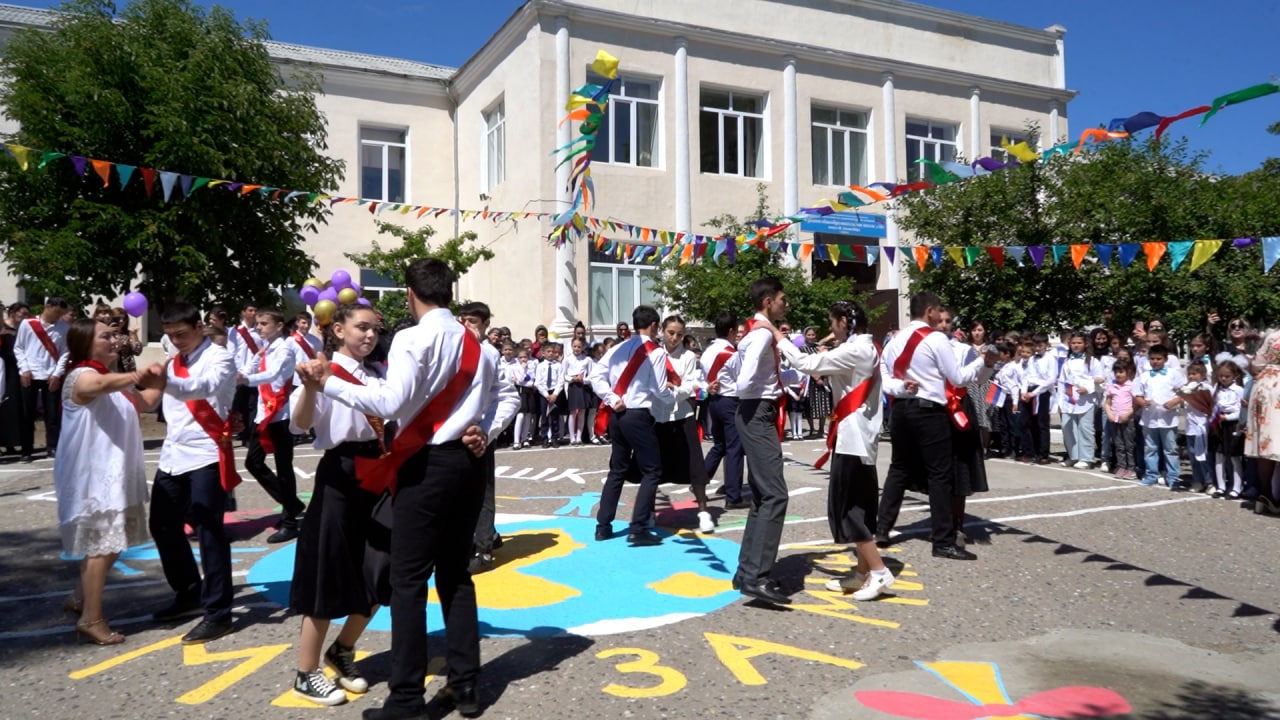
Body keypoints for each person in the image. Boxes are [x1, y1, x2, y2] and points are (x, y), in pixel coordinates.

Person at [300, 259, 512, 720]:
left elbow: (389, 403)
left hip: (425, 465)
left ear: (411, 294)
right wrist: (485, 431)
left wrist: (330, 383)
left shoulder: (413, 339)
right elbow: (508, 397)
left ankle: (406, 701)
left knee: (409, 582)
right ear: (449, 293)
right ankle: (466, 686)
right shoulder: (477, 344)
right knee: (456, 575)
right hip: (467, 466)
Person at [287, 304, 386, 706]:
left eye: (374, 330)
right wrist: (311, 387)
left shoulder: (379, 375)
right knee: (327, 571)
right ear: (339, 330)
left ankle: (342, 650)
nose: (369, 335)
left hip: (378, 474)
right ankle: (305, 673)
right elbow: (300, 423)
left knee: (385, 567)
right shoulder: (321, 371)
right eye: (361, 328)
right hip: (341, 474)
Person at [766, 301, 895, 600]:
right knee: (860, 504)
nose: (830, 329)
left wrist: (777, 335)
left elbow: (806, 364)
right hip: (858, 434)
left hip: (852, 438)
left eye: (833, 323)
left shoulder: (855, 350)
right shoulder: (868, 346)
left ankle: (878, 570)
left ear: (842, 321)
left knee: (849, 507)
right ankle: (862, 572)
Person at [56, 318, 164, 645]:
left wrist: (165, 375)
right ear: (85, 344)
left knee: (111, 543)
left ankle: (80, 597)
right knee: (100, 547)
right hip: (93, 478)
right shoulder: (81, 375)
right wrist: (137, 375)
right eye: (105, 336)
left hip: (114, 475)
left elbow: (146, 403)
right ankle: (92, 618)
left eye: (115, 335)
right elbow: (95, 388)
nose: (114, 340)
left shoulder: (112, 379)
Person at [877, 291, 993, 562]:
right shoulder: (936, 338)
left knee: (899, 469)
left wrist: (900, 386)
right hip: (930, 411)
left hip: (901, 409)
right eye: (937, 312)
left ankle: (882, 528)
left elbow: (884, 380)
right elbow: (958, 377)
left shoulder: (895, 340)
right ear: (929, 312)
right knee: (939, 475)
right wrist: (982, 363)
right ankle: (943, 540)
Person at [148, 303, 240, 644]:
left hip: (206, 453)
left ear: (199, 326)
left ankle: (219, 613)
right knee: (161, 524)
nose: (176, 341)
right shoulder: (173, 361)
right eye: (170, 336)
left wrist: (163, 379)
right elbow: (152, 401)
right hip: (173, 454)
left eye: (182, 334)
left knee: (208, 530)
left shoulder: (220, 357)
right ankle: (188, 592)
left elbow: (200, 388)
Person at [734, 278, 801, 604]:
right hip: (757, 412)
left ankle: (747, 570)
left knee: (763, 495)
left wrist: (783, 378)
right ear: (767, 302)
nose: (785, 305)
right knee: (775, 494)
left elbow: (751, 376)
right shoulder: (761, 334)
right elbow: (745, 382)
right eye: (782, 300)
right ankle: (757, 577)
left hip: (755, 411)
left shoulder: (754, 333)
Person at [589, 305, 677, 546]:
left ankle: (603, 526)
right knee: (653, 470)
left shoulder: (617, 348)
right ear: (653, 325)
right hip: (638, 414)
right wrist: (677, 396)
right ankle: (638, 527)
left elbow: (595, 376)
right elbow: (659, 389)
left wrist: (612, 398)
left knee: (617, 470)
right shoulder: (656, 352)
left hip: (618, 415)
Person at [458, 302, 518, 575]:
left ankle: (483, 549)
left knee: (482, 493)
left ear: (485, 326)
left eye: (475, 322)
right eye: (465, 320)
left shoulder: (489, 354)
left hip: (479, 434)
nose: (468, 327)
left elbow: (507, 397)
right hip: (449, 436)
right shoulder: (449, 349)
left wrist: (485, 430)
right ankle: (482, 536)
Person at [238, 308, 306, 543]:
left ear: (279, 326)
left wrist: (246, 380)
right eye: (257, 323)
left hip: (280, 415)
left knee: (284, 468)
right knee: (253, 462)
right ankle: (292, 504)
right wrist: (239, 375)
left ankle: (290, 522)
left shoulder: (286, 348)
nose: (259, 327)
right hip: (264, 412)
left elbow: (273, 374)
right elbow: (252, 366)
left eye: (264, 323)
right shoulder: (266, 347)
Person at [652, 315, 715, 534]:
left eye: (679, 334)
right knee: (652, 467)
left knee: (695, 464)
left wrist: (671, 391)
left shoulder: (688, 356)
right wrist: (664, 390)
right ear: (662, 330)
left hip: (683, 415)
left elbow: (690, 386)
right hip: (657, 416)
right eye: (671, 333)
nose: (675, 338)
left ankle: (704, 511)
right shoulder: (653, 354)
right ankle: (648, 512)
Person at [15, 296, 71, 462]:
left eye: (61, 313)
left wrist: (57, 374)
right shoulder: (28, 324)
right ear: (48, 307)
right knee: (27, 414)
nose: (58, 315)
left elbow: (65, 353)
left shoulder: (63, 328)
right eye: (57, 312)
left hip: (50, 374)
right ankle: (26, 450)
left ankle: (52, 447)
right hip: (30, 374)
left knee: (52, 414)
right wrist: (24, 369)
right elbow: (19, 348)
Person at [701, 312, 747, 509]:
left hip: (714, 401)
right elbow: (742, 380)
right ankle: (733, 496)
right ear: (730, 331)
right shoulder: (732, 354)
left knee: (719, 444)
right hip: (730, 401)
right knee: (734, 448)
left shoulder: (707, 351)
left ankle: (699, 482)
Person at [1134, 345, 1185, 489]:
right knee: (1151, 448)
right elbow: (1137, 394)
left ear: (1165, 359)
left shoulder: (1173, 373)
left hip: (1168, 418)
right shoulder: (1144, 375)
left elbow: (1183, 391)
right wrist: (1142, 402)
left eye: (1158, 359)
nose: (1155, 361)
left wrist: (1174, 401)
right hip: (1149, 418)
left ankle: (1173, 477)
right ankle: (1152, 474)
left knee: (1170, 449)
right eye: (1152, 359)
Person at [1246, 328, 1280, 515]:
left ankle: (1264, 493)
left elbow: (1255, 366)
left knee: (1268, 442)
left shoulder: (1272, 335)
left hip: (1265, 386)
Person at [1059, 331, 1103, 469]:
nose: (1076, 345)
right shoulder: (1067, 361)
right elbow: (1062, 381)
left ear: (1085, 344)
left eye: (1079, 343)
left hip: (1086, 400)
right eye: (1073, 343)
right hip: (1069, 399)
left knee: (1085, 428)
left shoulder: (1093, 361)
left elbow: (1100, 379)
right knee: (1068, 428)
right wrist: (1060, 400)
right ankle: (1073, 455)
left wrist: (1088, 388)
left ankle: (1086, 458)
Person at [1211, 360, 1246, 499]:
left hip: (1232, 424)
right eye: (1221, 376)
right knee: (1219, 455)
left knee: (1234, 456)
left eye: (1227, 376)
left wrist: (1227, 418)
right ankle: (1221, 486)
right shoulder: (1217, 388)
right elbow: (1214, 405)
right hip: (1218, 423)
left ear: (1235, 376)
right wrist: (1214, 418)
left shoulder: (1239, 390)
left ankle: (1237, 487)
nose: (1223, 379)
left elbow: (1241, 410)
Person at [1018, 333, 1054, 465]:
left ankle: (1043, 453)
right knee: (1025, 422)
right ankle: (1029, 451)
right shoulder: (1032, 359)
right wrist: (1024, 392)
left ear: (1046, 344)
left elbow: (1050, 379)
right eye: (1036, 345)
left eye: (1041, 344)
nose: (1038, 347)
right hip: (1030, 391)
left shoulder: (1050, 358)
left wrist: (1035, 393)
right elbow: (1026, 377)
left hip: (1042, 392)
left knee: (1041, 423)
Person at [0, 302, 29, 456]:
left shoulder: (23, 329)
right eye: (22, 314)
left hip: (19, 370)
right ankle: (3, 441)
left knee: (18, 407)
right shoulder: (3, 328)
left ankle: (13, 441)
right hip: (6, 369)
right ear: (13, 312)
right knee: (6, 406)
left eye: (26, 314)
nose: (24, 317)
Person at [1104, 360, 1137, 479]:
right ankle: (1122, 466)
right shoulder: (1112, 387)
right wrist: (1109, 414)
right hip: (1115, 419)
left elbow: (1136, 404)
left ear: (1128, 372)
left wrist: (1128, 414)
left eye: (1121, 372)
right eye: (1116, 372)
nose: (1118, 374)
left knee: (1129, 445)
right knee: (1119, 444)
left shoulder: (1132, 386)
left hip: (1127, 419)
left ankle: (1131, 468)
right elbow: (1107, 403)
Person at [563, 337, 594, 446]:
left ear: (583, 347)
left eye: (579, 346)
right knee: (572, 412)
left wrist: (583, 380)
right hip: (573, 386)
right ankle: (572, 437)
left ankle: (579, 437)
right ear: (571, 346)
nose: (576, 348)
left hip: (583, 386)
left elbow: (591, 376)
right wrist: (572, 378)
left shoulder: (587, 360)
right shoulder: (567, 359)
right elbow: (564, 375)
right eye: (575, 346)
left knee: (582, 412)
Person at [535, 341, 565, 448]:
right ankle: (544, 438)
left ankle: (554, 438)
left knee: (555, 417)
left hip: (554, 393)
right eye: (548, 351)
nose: (551, 353)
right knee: (545, 417)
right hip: (544, 394)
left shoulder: (558, 365)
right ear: (543, 353)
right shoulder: (540, 366)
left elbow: (561, 381)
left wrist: (555, 394)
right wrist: (546, 394)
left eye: (553, 352)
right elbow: (538, 382)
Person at [511, 346, 538, 448]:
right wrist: (522, 369)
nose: (523, 359)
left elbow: (531, 380)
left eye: (525, 357)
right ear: (517, 358)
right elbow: (520, 380)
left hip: (529, 391)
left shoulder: (530, 366)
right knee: (520, 415)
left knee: (528, 416)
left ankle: (524, 438)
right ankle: (516, 440)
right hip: (521, 391)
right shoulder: (516, 367)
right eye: (521, 357)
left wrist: (521, 380)